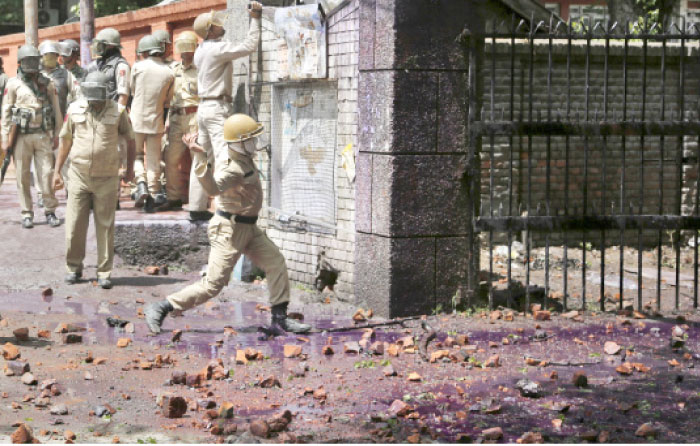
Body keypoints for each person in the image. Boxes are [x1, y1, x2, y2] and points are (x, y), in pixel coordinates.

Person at [145, 114, 311, 335]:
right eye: (250, 139)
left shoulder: (241, 156)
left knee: (276, 262)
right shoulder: (232, 168)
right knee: (213, 285)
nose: (255, 143)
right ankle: (163, 307)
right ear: (239, 143)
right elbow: (213, 189)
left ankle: (280, 319)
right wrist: (200, 158)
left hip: (248, 228)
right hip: (229, 230)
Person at [53, 72, 135, 289]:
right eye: (91, 95)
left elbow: (131, 139)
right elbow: (65, 141)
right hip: (78, 176)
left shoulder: (118, 111)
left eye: (98, 95)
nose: (94, 100)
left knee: (105, 226)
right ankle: (73, 268)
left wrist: (130, 169)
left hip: (107, 177)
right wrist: (56, 172)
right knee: (74, 225)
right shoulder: (74, 109)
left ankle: (104, 272)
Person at [191, 2, 261, 204]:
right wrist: (255, 18)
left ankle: (196, 206)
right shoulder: (217, 49)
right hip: (216, 108)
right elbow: (249, 46)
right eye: (216, 24)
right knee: (224, 157)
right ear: (210, 30)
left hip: (203, 108)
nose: (221, 26)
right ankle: (226, 205)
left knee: (202, 157)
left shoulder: (200, 50)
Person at [0, 45, 62, 229]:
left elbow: (57, 110)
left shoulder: (47, 83)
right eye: (28, 60)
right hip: (21, 138)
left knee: (46, 173)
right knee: (22, 176)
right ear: (20, 62)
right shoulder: (13, 84)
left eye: (35, 60)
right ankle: (26, 213)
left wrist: (58, 134)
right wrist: (5, 140)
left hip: (42, 134)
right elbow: (6, 113)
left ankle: (50, 211)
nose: (32, 64)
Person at [157, 31, 209, 216]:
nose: (185, 52)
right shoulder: (174, 70)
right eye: (182, 48)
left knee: (198, 160)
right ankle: (174, 198)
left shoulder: (202, 69)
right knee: (170, 158)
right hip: (176, 118)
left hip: (195, 116)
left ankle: (198, 205)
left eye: (188, 48)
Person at [130, 35, 174, 212]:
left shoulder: (138, 67)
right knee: (154, 160)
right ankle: (153, 195)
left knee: (137, 156)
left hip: (136, 119)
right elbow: (168, 101)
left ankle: (141, 184)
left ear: (146, 51)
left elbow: (133, 90)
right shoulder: (169, 72)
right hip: (156, 121)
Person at [88, 28, 131, 204]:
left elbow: (123, 95)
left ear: (110, 46)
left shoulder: (121, 66)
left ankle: (114, 199)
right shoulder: (99, 64)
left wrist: (116, 119)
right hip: (97, 117)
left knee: (114, 158)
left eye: (101, 44)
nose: (98, 47)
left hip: (112, 117)